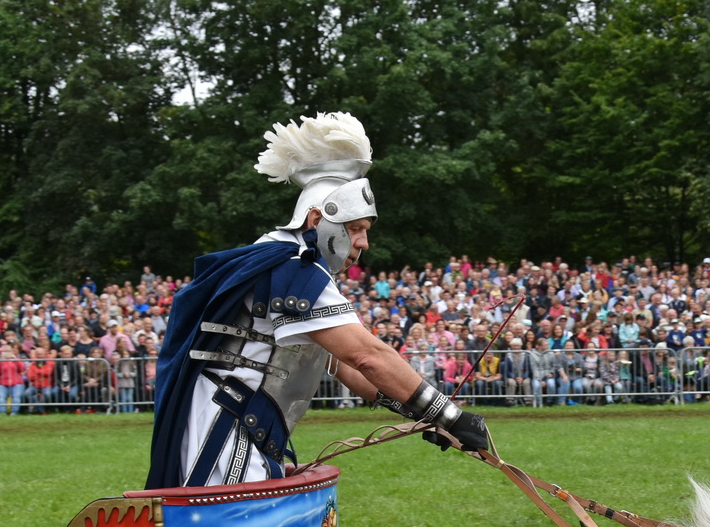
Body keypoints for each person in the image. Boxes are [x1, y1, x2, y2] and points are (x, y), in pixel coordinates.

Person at [146, 112, 489, 489]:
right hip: (226, 429)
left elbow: (346, 368)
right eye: (356, 229)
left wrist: (426, 415)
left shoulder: (289, 265)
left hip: (244, 423)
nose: (364, 242)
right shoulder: (292, 268)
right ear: (315, 220)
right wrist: (451, 415)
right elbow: (366, 355)